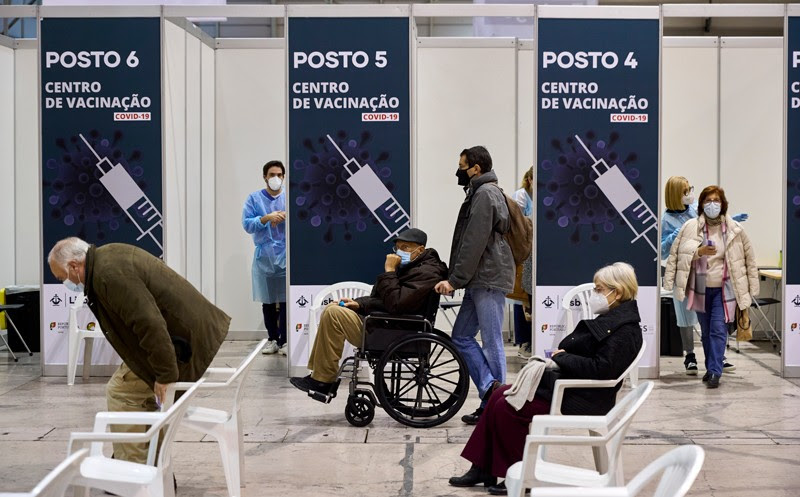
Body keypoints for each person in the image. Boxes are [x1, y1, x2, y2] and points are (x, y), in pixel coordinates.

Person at [449, 262, 643, 495]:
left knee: (508, 406)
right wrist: (564, 358)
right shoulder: (613, 320)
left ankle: (521, 476)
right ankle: (483, 467)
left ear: (617, 292)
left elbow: (603, 370)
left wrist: (564, 359)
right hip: (567, 385)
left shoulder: (626, 330)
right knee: (497, 395)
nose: (595, 294)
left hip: (581, 395)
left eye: (599, 289)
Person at [47, 237, 230, 464]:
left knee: (122, 391)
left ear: (74, 266)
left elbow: (149, 323)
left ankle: (136, 469)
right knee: (133, 387)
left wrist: (165, 375)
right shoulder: (108, 257)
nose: (65, 283)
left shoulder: (108, 274)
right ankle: (150, 461)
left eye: (62, 277)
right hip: (185, 335)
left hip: (183, 343)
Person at [289, 228, 448, 394]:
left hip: (396, 331)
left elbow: (396, 303)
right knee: (332, 307)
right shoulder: (413, 267)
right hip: (386, 324)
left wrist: (390, 272)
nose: (400, 252)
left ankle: (323, 380)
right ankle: (320, 377)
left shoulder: (428, 272)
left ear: (420, 250)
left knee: (334, 314)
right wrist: (359, 304)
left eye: (405, 247)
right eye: (398, 248)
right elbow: (386, 299)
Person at [435, 146, 515, 425]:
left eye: (462, 166)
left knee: (492, 342)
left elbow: (474, 242)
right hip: (479, 278)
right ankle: (490, 389)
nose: (459, 171)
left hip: (488, 278)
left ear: (476, 168)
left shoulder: (485, 194)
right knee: (460, 337)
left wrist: (455, 279)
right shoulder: (480, 193)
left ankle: (497, 407)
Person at [664, 186, 759, 388]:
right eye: (707, 201)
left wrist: (752, 286)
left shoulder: (734, 229)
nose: (712, 204)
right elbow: (676, 255)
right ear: (701, 205)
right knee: (706, 331)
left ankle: (715, 371)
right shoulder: (690, 227)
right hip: (700, 286)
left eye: (716, 200)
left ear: (723, 203)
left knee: (718, 329)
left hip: (724, 290)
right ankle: (711, 367)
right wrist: (699, 252)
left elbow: (749, 258)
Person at [242, 160, 287, 356]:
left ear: (284, 177)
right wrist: (266, 218)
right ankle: (273, 339)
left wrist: (286, 216)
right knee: (268, 300)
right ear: (265, 177)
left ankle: (285, 340)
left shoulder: (290, 197)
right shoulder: (254, 199)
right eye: (271, 175)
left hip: (286, 255)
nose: (275, 178)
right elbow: (247, 224)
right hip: (264, 257)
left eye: (279, 175)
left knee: (286, 299)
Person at [510, 167, 533, 359]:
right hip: (524, 252)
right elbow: (517, 224)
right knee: (522, 296)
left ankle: (533, 340)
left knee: (533, 298)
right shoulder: (521, 196)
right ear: (529, 179)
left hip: (538, 254)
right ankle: (523, 342)